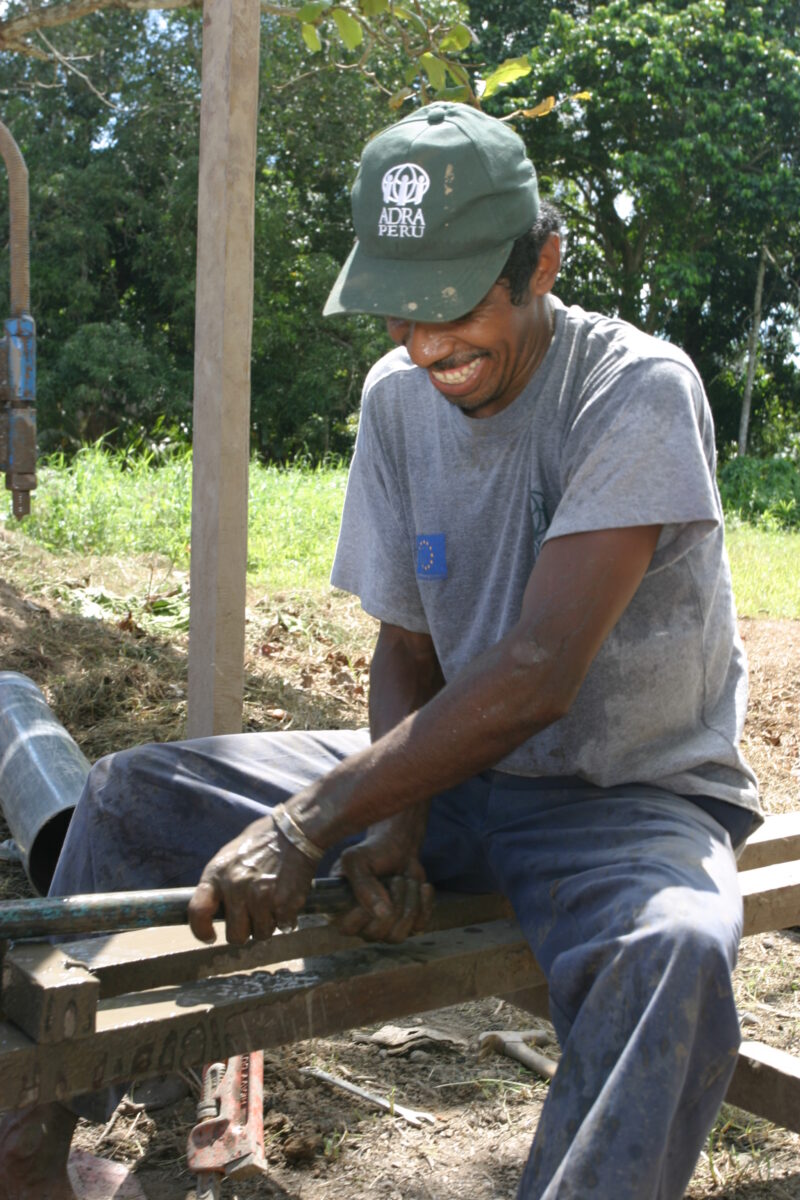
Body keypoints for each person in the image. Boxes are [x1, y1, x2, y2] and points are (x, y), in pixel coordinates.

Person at [0, 101, 761, 1200]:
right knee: (128, 798)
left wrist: (313, 820)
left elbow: (541, 670)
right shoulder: (396, 399)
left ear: (539, 263)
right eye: (399, 314)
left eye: (453, 307)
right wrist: (393, 814)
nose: (428, 345)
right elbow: (407, 641)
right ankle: (29, 1139)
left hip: (624, 801)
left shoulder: (632, 387)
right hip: (454, 772)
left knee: (674, 957)